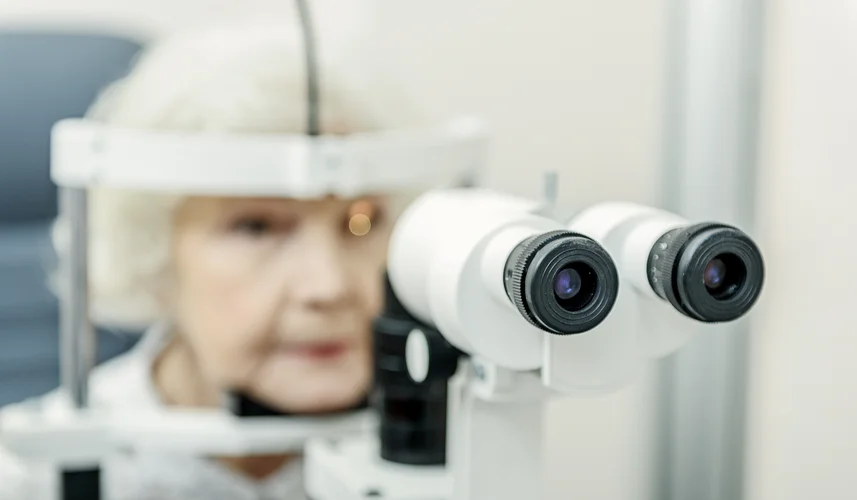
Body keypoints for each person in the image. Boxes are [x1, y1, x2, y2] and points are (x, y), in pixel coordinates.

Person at [0, 19, 461, 500]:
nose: (328, 286)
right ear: (155, 253)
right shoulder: (27, 478)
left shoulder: (456, 466)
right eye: (256, 226)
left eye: (359, 221)